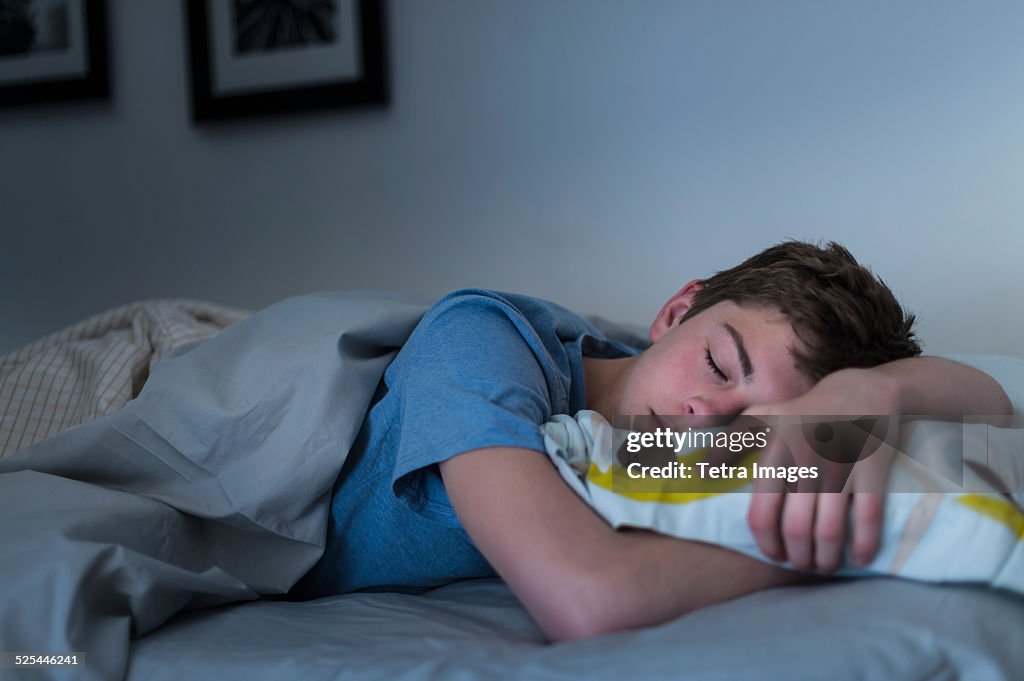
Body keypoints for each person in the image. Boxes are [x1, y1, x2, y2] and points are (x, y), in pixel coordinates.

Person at [294, 240, 1013, 642]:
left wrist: (871, 395)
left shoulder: (641, 438)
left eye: (752, 427)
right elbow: (588, 600)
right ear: (674, 311)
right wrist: (829, 546)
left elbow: (999, 403)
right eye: (718, 364)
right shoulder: (482, 346)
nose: (705, 417)